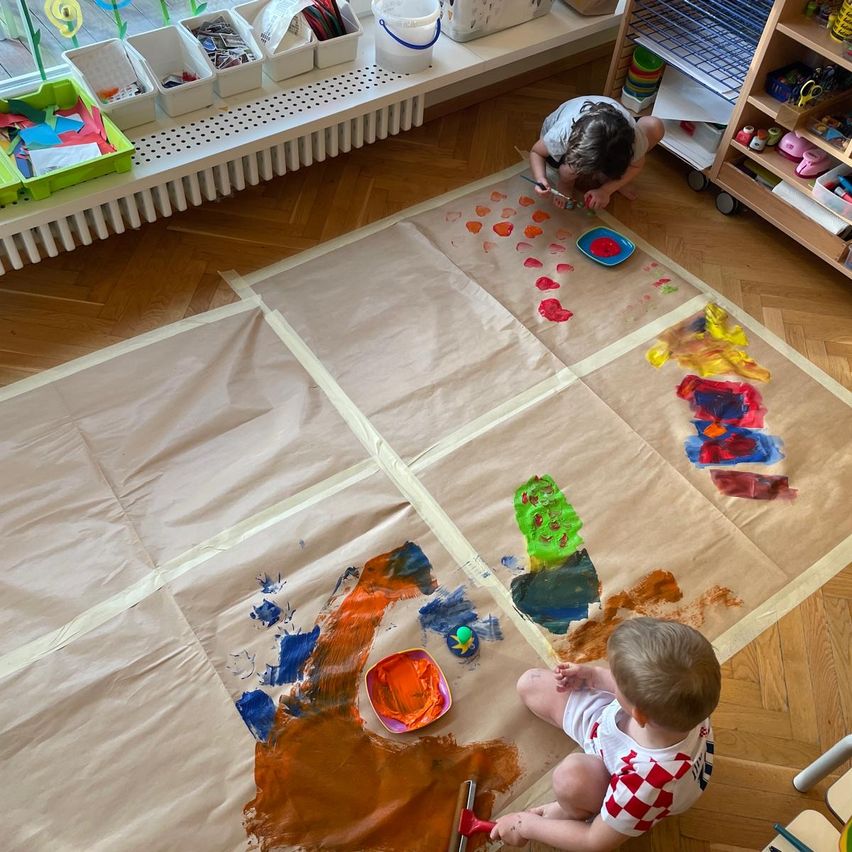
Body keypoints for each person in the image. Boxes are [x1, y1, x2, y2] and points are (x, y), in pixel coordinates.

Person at [490, 617, 720, 850]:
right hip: (615, 731)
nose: (608, 674)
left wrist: (526, 825)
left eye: (615, 678)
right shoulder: (689, 700)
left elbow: (593, 842)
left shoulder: (645, 786)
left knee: (571, 778)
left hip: (628, 781)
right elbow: (638, 691)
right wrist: (594, 676)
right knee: (530, 684)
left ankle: (574, 812)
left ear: (637, 714)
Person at [529, 96, 665, 210]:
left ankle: (613, 180)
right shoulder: (561, 134)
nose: (592, 175)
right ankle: (565, 184)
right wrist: (540, 178)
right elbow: (536, 152)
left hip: (608, 140)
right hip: (566, 146)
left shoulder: (633, 140)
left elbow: (636, 166)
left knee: (655, 126)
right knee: (568, 170)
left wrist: (606, 190)